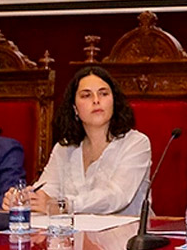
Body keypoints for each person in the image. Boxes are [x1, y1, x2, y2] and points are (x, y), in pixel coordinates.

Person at [8, 65, 150, 216]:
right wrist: (25, 198)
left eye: (103, 93)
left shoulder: (136, 143)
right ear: (74, 108)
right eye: (86, 95)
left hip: (125, 235)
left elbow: (116, 196)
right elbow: (48, 190)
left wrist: (64, 205)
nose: (96, 100)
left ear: (114, 101)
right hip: (73, 235)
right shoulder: (64, 148)